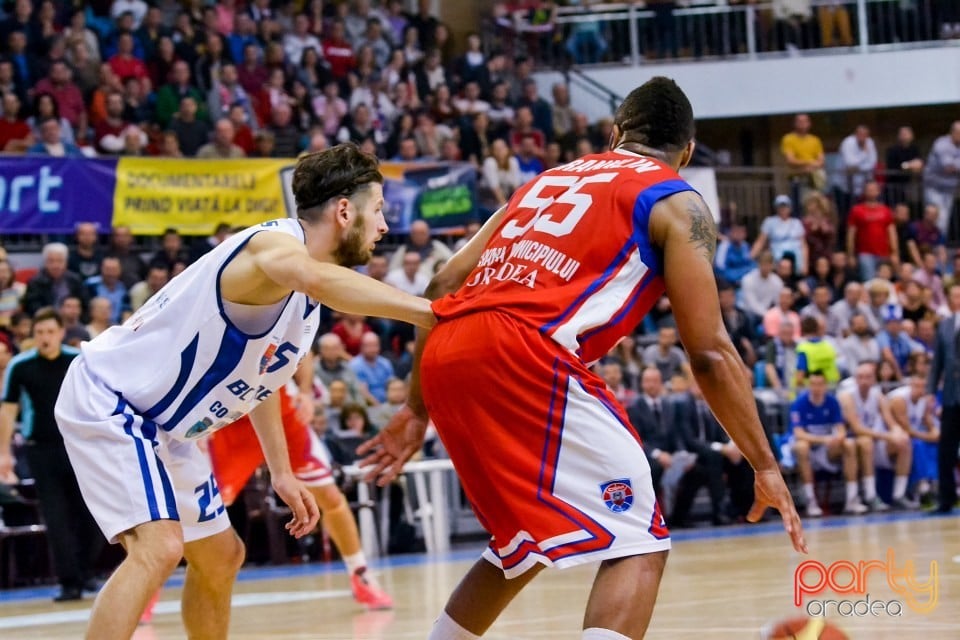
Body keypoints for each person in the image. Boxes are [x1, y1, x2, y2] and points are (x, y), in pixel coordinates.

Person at [359, 77, 804, 640]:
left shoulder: (545, 180)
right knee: (639, 539)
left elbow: (444, 278)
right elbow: (710, 352)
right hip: (525, 348)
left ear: (615, 133)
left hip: (448, 343)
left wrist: (416, 408)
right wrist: (763, 462)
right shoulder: (677, 199)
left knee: (521, 543)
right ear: (686, 153)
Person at [53, 144, 435, 640]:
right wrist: (432, 313)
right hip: (112, 400)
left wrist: (281, 470)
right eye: (378, 210)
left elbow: (263, 383)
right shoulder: (271, 248)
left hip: (166, 426)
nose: (384, 226)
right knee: (160, 547)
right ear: (345, 210)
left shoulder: (303, 304)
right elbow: (315, 277)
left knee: (222, 555)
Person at [208, 358, 392, 610]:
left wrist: (305, 391)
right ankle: (149, 582)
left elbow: (303, 351)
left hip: (283, 411)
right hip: (228, 416)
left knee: (329, 496)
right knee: (198, 506)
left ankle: (360, 574)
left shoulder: (287, 319)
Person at [1, 308, 105, 602]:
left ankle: (85, 572)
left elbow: (96, 402)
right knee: (56, 519)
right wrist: (3, 453)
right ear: (33, 336)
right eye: (39, 333)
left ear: (61, 333)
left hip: (80, 448)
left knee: (91, 514)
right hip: (40, 450)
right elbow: (8, 412)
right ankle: (69, 582)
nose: (44, 338)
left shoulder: (78, 361)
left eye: (50, 332)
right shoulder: (20, 367)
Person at [791, 370, 868, 517]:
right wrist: (825, 439)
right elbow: (799, 434)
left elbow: (841, 429)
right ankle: (811, 501)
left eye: (820, 384)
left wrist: (838, 438)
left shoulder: (832, 402)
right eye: (813, 384)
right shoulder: (799, 403)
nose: (817, 388)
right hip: (807, 449)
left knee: (849, 444)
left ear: (825, 385)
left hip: (826, 449)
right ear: (808, 385)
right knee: (802, 447)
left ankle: (852, 500)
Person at [927, 283, 960, 514]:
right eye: (954, 296)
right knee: (945, 448)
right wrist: (930, 391)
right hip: (951, 395)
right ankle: (945, 498)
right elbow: (937, 361)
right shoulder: (945, 326)